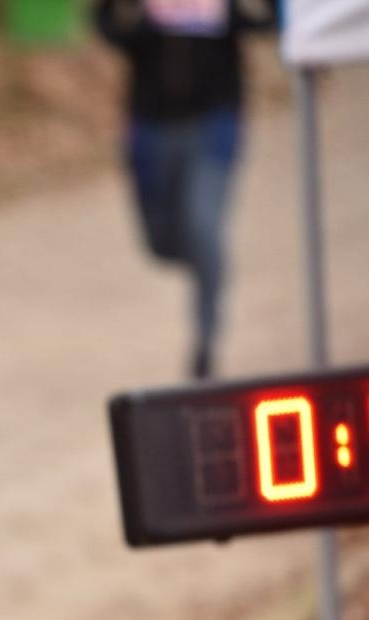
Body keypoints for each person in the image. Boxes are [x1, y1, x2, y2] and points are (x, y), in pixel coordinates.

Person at [95, 0, 278, 379]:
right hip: (151, 129)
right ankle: (210, 265)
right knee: (159, 245)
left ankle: (206, 342)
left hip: (214, 124)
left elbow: (269, 22)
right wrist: (140, 19)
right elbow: (108, 29)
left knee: (204, 225)